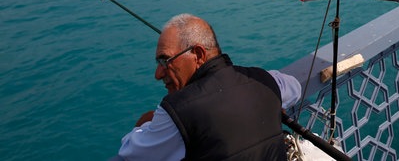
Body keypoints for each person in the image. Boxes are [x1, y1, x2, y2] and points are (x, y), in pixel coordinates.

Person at [115, 13, 302, 160]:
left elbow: (132, 152)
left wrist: (145, 122)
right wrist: (273, 104)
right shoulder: (264, 81)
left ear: (198, 55)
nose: (158, 74)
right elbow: (295, 88)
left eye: (165, 61)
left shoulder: (177, 112)